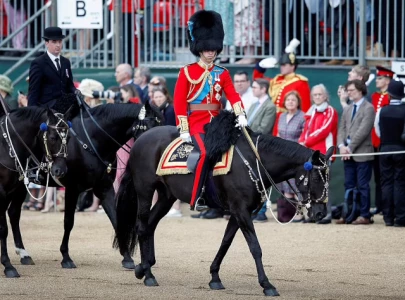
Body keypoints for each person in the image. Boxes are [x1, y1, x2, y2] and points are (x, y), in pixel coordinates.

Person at [173, 10, 247, 211]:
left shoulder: (222, 73)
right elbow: (179, 102)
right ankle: (197, 197)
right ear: (200, 48)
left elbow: (232, 95)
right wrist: (184, 127)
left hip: (218, 122)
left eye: (213, 49)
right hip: (197, 122)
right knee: (205, 153)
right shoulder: (187, 72)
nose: (211, 52)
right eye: (207, 49)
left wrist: (240, 114)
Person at [299, 84, 339, 224]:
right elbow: (305, 131)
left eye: (319, 94)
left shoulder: (331, 111)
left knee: (324, 185)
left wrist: (306, 142)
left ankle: (326, 214)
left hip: (323, 154)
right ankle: (312, 214)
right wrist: (301, 142)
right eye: (315, 95)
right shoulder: (311, 112)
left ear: (325, 96)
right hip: (309, 153)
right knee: (309, 185)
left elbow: (324, 130)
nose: (317, 97)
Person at [337, 80, 375, 225]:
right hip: (347, 153)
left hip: (362, 153)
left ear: (360, 90)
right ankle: (349, 213)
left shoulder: (368, 108)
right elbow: (342, 128)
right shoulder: (348, 108)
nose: (349, 93)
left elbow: (363, 131)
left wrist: (350, 147)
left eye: (352, 90)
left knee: (363, 185)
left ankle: (364, 214)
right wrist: (341, 145)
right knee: (349, 184)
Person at [254, 39, 311, 136]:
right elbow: (258, 79)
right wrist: (260, 66)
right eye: (281, 65)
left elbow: (305, 106)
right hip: (272, 116)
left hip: (289, 117)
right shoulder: (277, 80)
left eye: (284, 65)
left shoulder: (301, 82)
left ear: (292, 66)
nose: (282, 67)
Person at [374, 80, 405, 227]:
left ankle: (388, 217)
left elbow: (377, 130)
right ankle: (400, 217)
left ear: (390, 95)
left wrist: (386, 140)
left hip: (385, 149)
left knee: (386, 183)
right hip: (401, 148)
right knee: (399, 182)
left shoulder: (382, 110)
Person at [28, 26, 76, 110]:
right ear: (46, 43)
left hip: (65, 106)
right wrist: (32, 114)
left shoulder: (65, 62)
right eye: (54, 41)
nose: (58, 45)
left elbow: (69, 85)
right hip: (47, 108)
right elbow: (33, 91)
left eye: (60, 41)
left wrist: (76, 92)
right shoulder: (39, 63)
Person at [370, 66, 395, 215]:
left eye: (379, 78)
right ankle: (380, 205)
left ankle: (388, 206)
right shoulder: (374, 96)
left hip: (386, 142)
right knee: (378, 177)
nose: (377, 80)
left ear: (387, 80)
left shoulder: (390, 98)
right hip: (374, 142)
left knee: (388, 177)